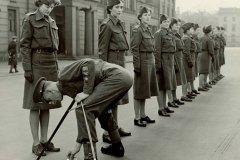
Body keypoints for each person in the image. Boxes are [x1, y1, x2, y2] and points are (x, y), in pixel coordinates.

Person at [33, 58, 133, 159]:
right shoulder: (67, 89)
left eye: (48, 100)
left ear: (49, 91)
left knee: (83, 109)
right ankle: (117, 146)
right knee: (103, 111)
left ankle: (90, 156)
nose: (52, 103)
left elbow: (88, 63)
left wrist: (86, 92)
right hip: (122, 78)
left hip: (116, 77)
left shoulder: (63, 75)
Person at [20, 0, 62, 156]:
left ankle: (45, 141)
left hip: (50, 64)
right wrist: (27, 69)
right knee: (35, 104)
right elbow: (24, 45)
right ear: (39, 4)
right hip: (36, 64)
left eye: (52, 6)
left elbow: (55, 48)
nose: (49, 9)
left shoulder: (51, 21)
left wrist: (57, 68)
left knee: (47, 103)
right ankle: (36, 143)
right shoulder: (29, 19)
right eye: (46, 5)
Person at [98, 0, 131, 142]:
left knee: (116, 99)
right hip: (111, 62)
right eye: (117, 7)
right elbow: (102, 49)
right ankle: (107, 133)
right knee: (110, 100)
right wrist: (103, 69)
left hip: (120, 60)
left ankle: (114, 128)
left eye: (121, 7)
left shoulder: (118, 23)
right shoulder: (107, 25)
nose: (120, 10)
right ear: (110, 9)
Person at [131, 7, 158, 127]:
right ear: (140, 17)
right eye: (145, 15)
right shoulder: (138, 30)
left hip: (149, 61)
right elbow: (135, 49)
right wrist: (137, 66)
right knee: (138, 91)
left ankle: (143, 114)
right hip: (142, 61)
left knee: (145, 90)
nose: (148, 17)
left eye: (149, 15)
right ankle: (137, 117)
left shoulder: (147, 29)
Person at [154, 14, 176, 117]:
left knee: (167, 85)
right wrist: (158, 65)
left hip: (169, 61)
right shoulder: (158, 34)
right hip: (163, 61)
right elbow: (157, 50)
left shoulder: (169, 33)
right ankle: (160, 108)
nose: (167, 24)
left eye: (168, 22)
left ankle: (165, 106)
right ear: (160, 23)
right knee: (161, 86)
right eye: (164, 22)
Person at [167, 18, 189, 106]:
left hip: (179, 59)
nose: (178, 26)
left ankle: (174, 97)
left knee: (175, 80)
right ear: (171, 25)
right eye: (176, 25)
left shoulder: (177, 35)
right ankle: (170, 99)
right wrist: (174, 62)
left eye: (179, 25)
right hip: (174, 59)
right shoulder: (170, 34)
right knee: (172, 80)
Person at [181, 22, 197, 100]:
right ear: (187, 30)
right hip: (187, 60)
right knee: (186, 78)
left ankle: (187, 92)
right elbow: (186, 51)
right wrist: (190, 61)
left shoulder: (187, 38)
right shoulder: (187, 39)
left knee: (188, 77)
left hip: (188, 59)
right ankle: (184, 95)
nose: (193, 30)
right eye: (192, 29)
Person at [197, 25, 214, 91]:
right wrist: (213, 56)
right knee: (203, 71)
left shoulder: (201, 37)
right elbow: (211, 49)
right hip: (206, 55)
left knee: (203, 70)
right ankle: (201, 85)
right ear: (209, 32)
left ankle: (203, 84)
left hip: (200, 54)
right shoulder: (208, 39)